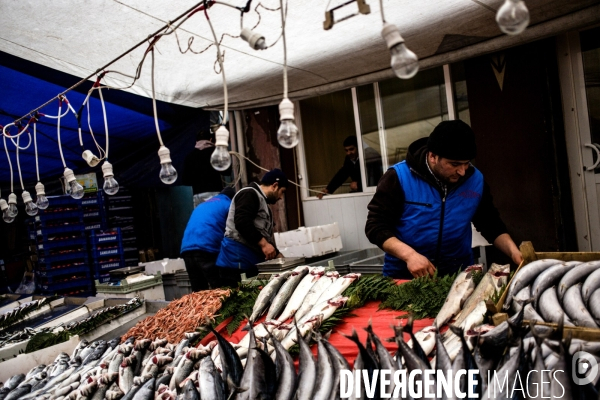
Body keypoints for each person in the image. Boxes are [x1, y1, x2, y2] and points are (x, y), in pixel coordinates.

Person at [365, 120, 523, 279]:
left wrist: (513, 251)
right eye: (455, 164)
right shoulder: (399, 177)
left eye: (466, 164)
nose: (462, 171)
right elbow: (375, 226)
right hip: (404, 275)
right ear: (433, 156)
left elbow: (490, 223)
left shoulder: (475, 180)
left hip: (458, 276)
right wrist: (409, 255)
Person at [215, 169, 288, 287]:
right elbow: (242, 222)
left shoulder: (263, 202)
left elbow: (261, 232)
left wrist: (277, 254)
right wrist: (264, 244)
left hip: (250, 263)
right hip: (235, 264)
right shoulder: (249, 193)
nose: (281, 197)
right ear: (275, 186)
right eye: (282, 192)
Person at [180, 187, 236, 291]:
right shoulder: (229, 204)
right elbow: (234, 232)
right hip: (206, 248)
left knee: (198, 293)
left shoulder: (202, 204)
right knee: (219, 290)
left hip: (186, 249)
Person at [182, 128, 225, 208]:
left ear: (196, 141)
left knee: (202, 218)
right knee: (216, 218)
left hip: (198, 194)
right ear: (211, 139)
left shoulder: (189, 157)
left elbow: (186, 180)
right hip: (215, 193)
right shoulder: (215, 152)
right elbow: (226, 172)